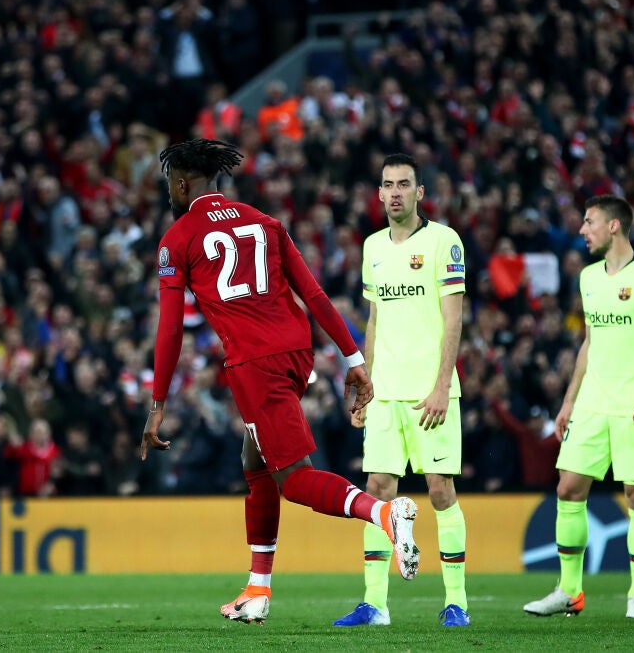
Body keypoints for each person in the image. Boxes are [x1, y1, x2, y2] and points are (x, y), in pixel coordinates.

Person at [140, 139, 420, 625]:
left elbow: (169, 330)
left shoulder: (177, 239)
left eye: (169, 184)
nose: (169, 192)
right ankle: (257, 588)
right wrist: (353, 358)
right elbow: (313, 292)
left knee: (293, 478)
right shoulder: (265, 222)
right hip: (295, 351)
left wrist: (157, 403)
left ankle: (383, 514)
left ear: (182, 184)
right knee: (255, 461)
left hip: (255, 363)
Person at [523, 195, 634, 620]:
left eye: (589, 222)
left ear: (614, 226)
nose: (582, 230)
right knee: (568, 489)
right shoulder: (588, 277)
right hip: (592, 403)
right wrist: (569, 401)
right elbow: (589, 344)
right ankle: (569, 591)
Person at [332, 153, 470, 628]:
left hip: (430, 392)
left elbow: (454, 319)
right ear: (379, 193)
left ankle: (456, 602)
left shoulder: (444, 241)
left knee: (440, 491)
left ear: (419, 192)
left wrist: (441, 386)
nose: (395, 192)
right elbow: (374, 320)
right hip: (386, 391)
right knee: (377, 490)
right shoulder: (372, 247)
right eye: (388, 185)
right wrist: (365, 385)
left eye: (404, 184)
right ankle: (375, 604)